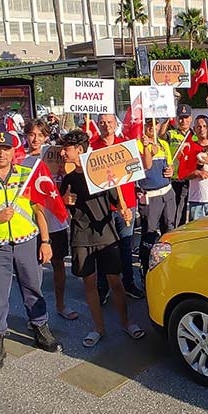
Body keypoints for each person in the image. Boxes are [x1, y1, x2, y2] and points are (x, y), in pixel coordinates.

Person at [0, 131, 60, 371]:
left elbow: (39, 210)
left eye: (6, 148)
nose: (1, 153)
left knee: (33, 288)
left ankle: (40, 328)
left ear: (13, 151)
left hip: (26, 242)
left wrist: (45, 241)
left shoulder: (26, 176)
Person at [58, 129, 146, 348]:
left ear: (79, 150)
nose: (62, 153)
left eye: (66, 148)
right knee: (90, 285)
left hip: (106, 233)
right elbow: (60, 208)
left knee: (115, 281)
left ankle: (126, 322)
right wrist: (64, 200)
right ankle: (98, 328)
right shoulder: (67, 179)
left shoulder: (100, 172)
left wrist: (124, 211)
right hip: (81, 236)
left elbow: (117, 198)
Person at [21, 119, 76, 321]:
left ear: (46, 137)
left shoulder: (58, 158)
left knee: (58, 264)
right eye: (31, 134)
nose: (35, 139)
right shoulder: (20, 161)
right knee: (32, 271)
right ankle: (36, 314)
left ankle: (61, 304)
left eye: (40, 135)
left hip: (56, 222)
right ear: (26, 136)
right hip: (33, 223)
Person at [91, 113, 141, 302]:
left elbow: (136, 171)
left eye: (109, 122)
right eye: (102, 122)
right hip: (103, 207)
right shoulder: (92, 146)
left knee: (125, 247)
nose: (106, 126)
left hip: (126, 204)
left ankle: (128, 284)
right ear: (98, 124)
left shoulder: (126, 145)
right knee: (103, 250)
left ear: (115, 124)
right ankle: (102, 288)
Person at [137, 120, 176, 276]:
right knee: (149, 234)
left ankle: (169, 266)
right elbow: (145, 166)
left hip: (167, 193)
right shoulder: (138, 144)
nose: (151, 127)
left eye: (154, 124)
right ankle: (146, 269)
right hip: (150, 196)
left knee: (170, 230)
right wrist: (148, 150)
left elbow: (170, 164)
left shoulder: (163, 144)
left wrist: (171, 170)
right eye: (147, 124)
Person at [164, 104, 194, 227]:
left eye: (186, 117)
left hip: (192, 179)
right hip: (176, 179)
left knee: (191, 211)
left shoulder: (195, 134)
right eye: (181, 118)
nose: (184, 121)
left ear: (191, 118)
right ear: (176, 119)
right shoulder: (171, 134)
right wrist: (166, 119)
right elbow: (161, 135)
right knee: (175, 211)